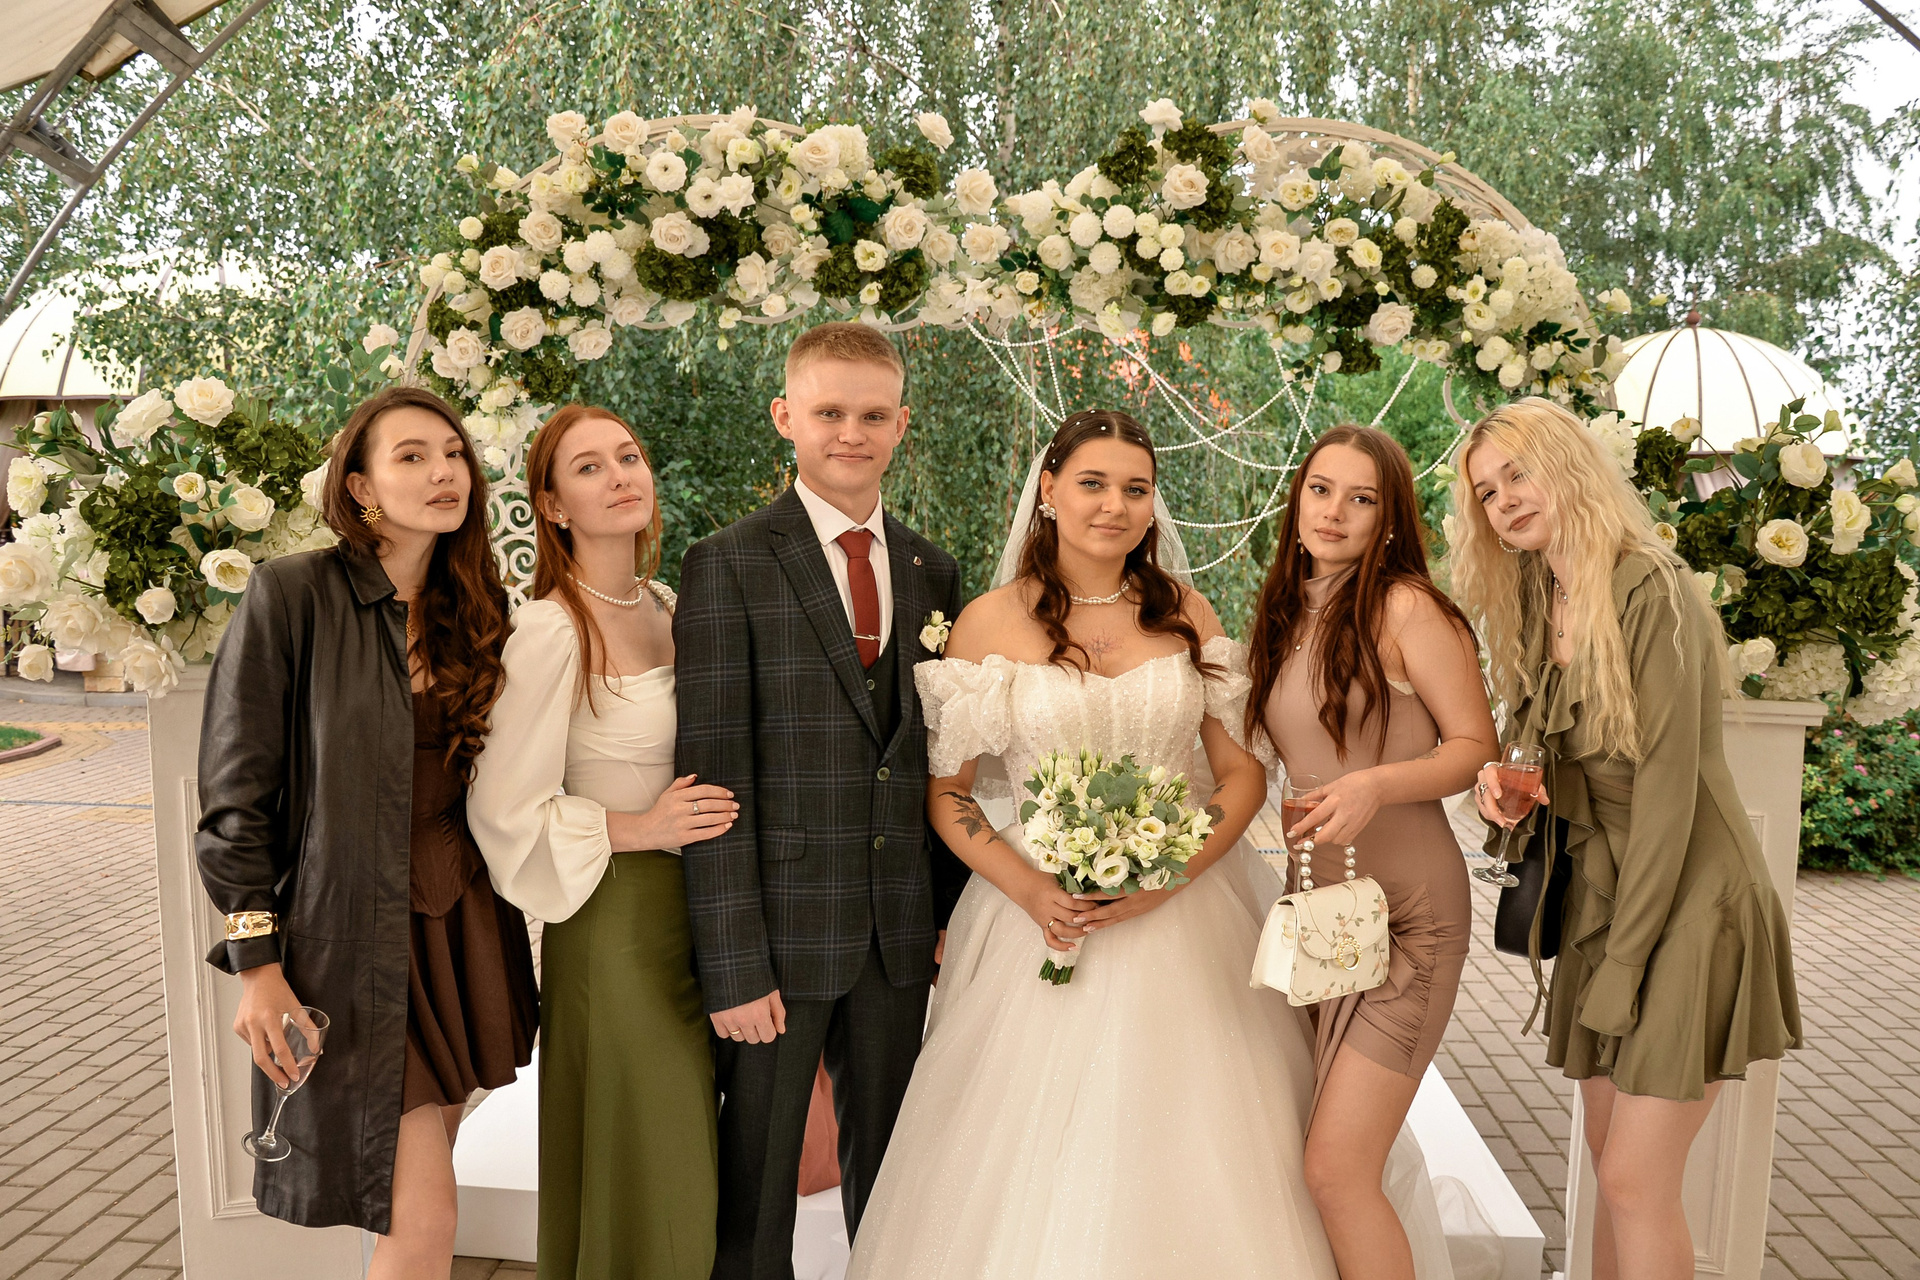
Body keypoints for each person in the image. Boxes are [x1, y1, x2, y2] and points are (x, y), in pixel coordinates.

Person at [844, 410, 1455, 1280]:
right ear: (1048, 490)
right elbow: (948, 793)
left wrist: (1171, 876)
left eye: (1136, 489)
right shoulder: (987, 623)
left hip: (1191, 906)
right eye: (1092, 483)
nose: (1115, 505)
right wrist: (1031, 890)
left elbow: (1241, 776)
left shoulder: (1185, 612)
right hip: (1038, 918)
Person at [1454, 396, 1801, 1280]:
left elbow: (1668, 801)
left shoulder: (1654, 589)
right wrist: (1502, 789)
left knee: (1636, 1182)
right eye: (1488, 492)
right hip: (1607, 897)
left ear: (1569, 466)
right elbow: (1553, 758)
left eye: (1519, 474)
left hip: (1690, 896)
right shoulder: (1541, 593)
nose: (1505, 501)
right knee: (1612, 1170)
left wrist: (1623, 964)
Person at [195, 385, 538, 1276]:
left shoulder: (480, 607)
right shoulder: (291, 594)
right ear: (360, 486)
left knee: (409, 1196)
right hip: (347, 942)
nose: (443, 472)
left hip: (461, 927)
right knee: (423, 1217)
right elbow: (234, 800)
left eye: (453, 454)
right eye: (411, 456)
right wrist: (257, 965)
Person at [674, 321, 968, 1279]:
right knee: (756, 1183)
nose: (852, 432)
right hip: (776, 938)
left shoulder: (932, 570)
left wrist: (945, 916)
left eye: (874, 415)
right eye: (829, 411)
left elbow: (932, 758)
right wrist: (732, 965)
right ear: (784, 416)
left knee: (894, 1177)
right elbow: (712, 776)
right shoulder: (728, 562)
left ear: (902, 425)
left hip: (896, 934)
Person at [467, 404, 728, 1279]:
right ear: (552, 505)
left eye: (629, 457)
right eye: (589, 468)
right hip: (615, 925)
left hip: (701, 913)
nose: (620, 476)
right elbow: (502, 808)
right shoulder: (549, 629)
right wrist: (639, 827)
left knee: (685, 1158)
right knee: (655, 1153)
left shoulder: (671, 606)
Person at [1245, 424, 1499, 1280]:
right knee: (1317, 1160)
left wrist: (1374, 786)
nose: (1335, 512)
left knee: (1336, 1169)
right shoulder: (1286, 610)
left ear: (1389, 519)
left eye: (1362, 499)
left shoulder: (1407, 608)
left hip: (1410, 920)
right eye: (1321, 490)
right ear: (1298, 499)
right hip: (1324, 919)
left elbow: (1474, 746)